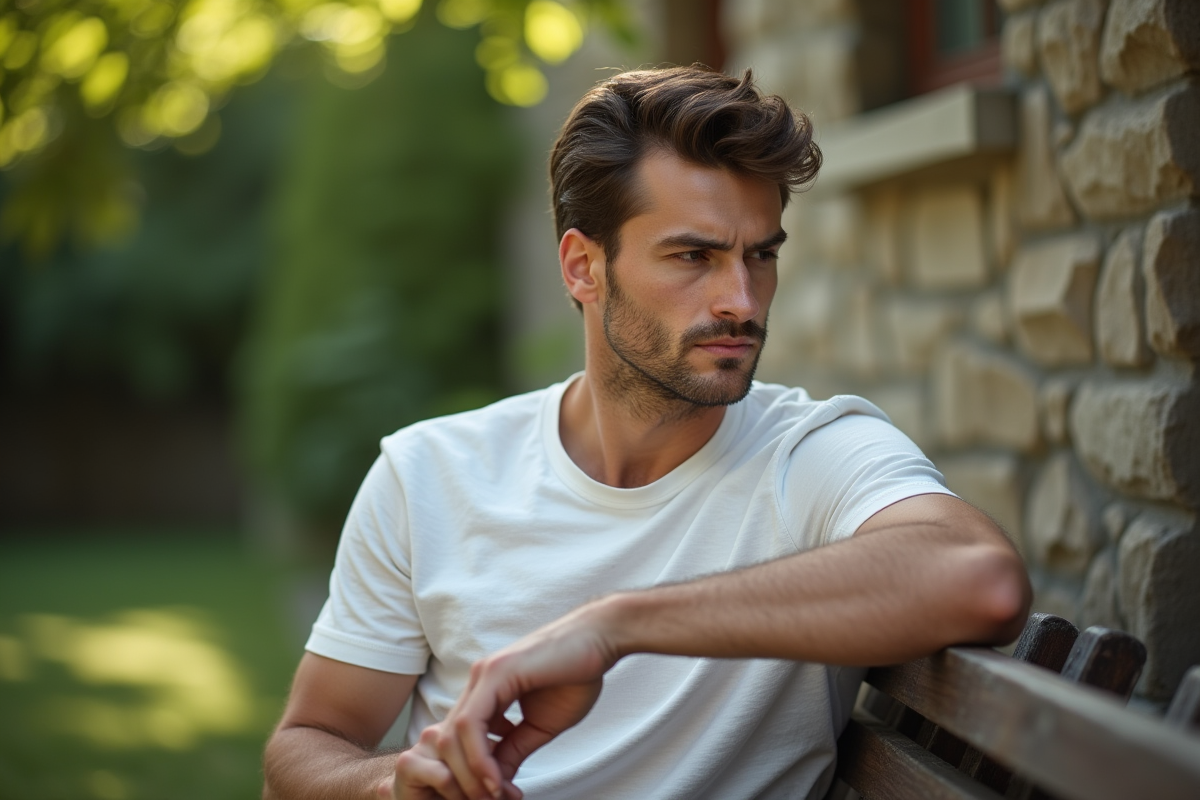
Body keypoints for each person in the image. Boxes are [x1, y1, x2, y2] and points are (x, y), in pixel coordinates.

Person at [262, 66, 1031, 800]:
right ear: (582, 268)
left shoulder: (813, 455)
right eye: (693, 256)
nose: (741, 299)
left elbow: (981, 578)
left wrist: (615, 627)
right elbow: (306, 747)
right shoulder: (426, 476)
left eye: (760, 255)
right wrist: (388, 782)